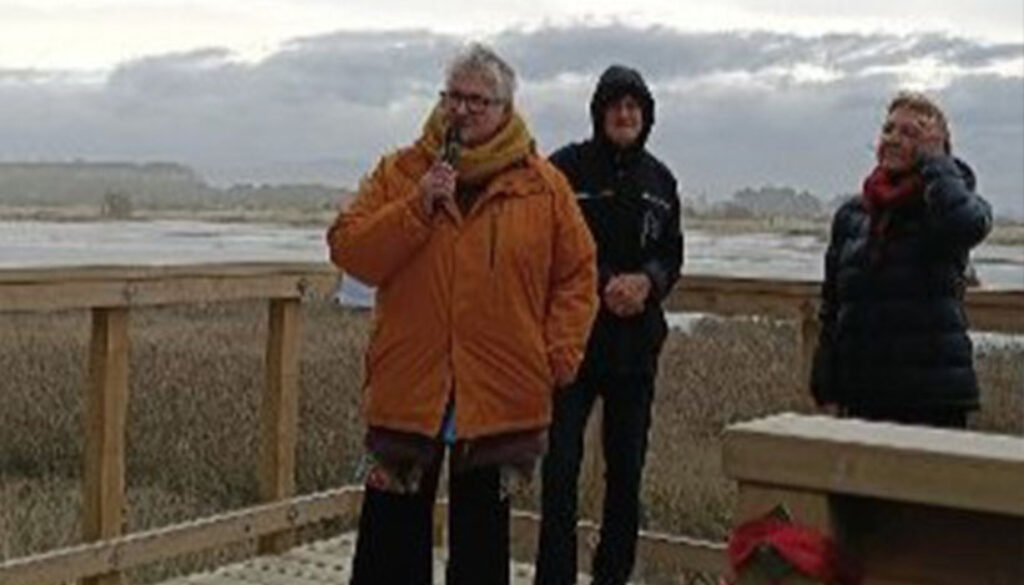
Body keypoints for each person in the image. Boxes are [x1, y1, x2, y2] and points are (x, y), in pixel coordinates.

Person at [327, 43, 598, 585]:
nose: (463, 110)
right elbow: (349, 248)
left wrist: (557, 356)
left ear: (505, 109)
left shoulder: (543, 186)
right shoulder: (400, 171)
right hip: (409, 386)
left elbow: (578, 274)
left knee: (481, 544)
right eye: (454, 96)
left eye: (479, 100)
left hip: (500, 392)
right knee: (388, 540)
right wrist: (416, 207)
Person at [534, 65, 684, 585]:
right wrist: (602, 283)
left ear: (646, 118)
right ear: (599, 113)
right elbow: (544, 246)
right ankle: (554, 577)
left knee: (626, 475)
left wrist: (649, 281)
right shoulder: (564, 171)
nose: (625, 115)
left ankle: (612, 577)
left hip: (635, 348)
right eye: (616, 106)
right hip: (572, 345)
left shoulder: (661, 181)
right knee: (559, 472)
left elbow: (671, 253)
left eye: (634, 108)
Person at [810, 91, 993, 429]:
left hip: (932, 396)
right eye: (889, 130)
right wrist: (827, 380)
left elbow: (965, 225)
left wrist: (937, 163)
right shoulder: (853, 215)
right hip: (862, 393)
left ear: (936, 145)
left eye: (910, 134)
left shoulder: (947, 205)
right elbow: (833, 304)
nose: (893, 140)